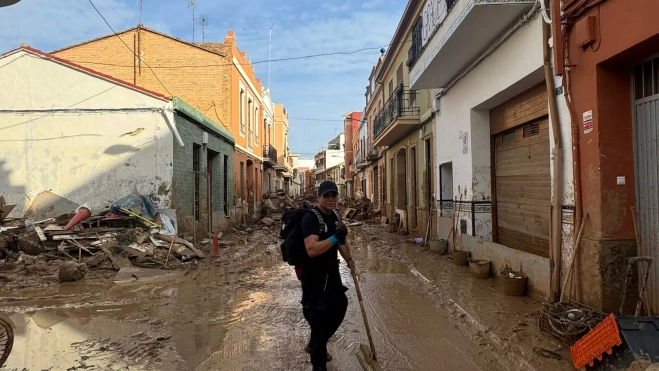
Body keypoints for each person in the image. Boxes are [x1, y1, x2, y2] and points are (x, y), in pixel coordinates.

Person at [300, 180, 356, 371]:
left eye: (334, 195)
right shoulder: (311, 218)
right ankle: (318, 351)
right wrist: (335, 236)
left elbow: (338, 244)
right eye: (327, 196)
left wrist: (350, 263)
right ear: (319, 197)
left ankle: (317, 342)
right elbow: (312, 249)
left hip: (331, 274)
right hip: (314, 278)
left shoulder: (334, 216)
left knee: (341, 305)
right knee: (318, 321)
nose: (331, 199)